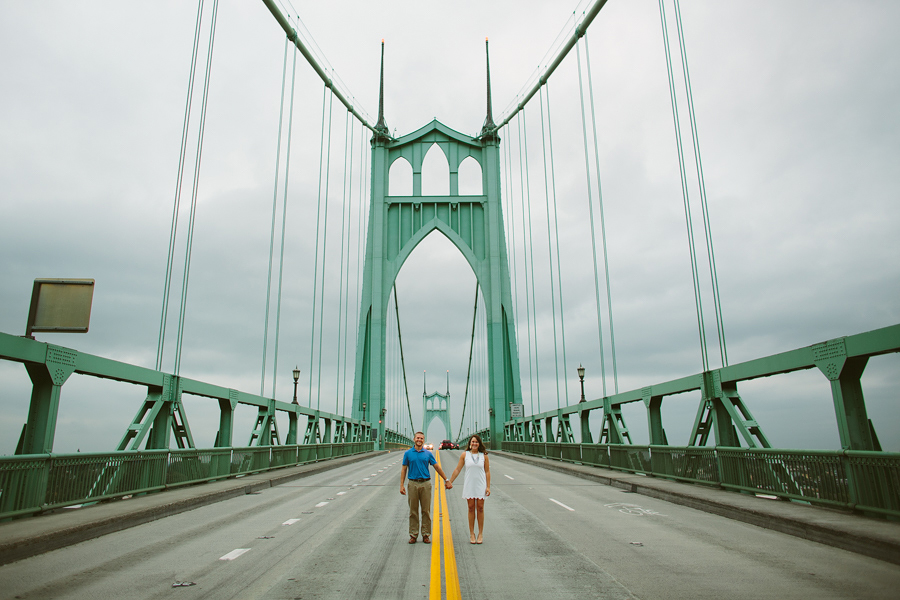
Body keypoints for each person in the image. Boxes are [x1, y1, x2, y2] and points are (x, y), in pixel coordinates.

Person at [400, 431, 452, 544]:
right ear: (414, 439)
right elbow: (404, 469)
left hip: (426, 483)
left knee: (426, 511)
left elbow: (437, 467)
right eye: (417, 438)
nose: (419, 440)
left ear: (424, 440)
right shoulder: (408, 453)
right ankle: (413, 534)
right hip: (412, 483)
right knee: (413, 511)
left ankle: (426, 534)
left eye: (421, 438)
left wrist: (446, 480)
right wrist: (401, 485)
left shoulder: (428, 454)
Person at [447, 434, 490, 544]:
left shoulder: (484, 456)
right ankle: (472, 533)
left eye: (476, 442)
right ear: (470, 444)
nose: (474, 443)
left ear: (479, 444)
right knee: (471, 508)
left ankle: (480, 534)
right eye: (472, 442)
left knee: (480, 508)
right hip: (469, 484)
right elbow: (458, 469)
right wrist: (450, 481)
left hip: (480, 485)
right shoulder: (464, 455)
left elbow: (487, 472)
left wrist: (488, 487)